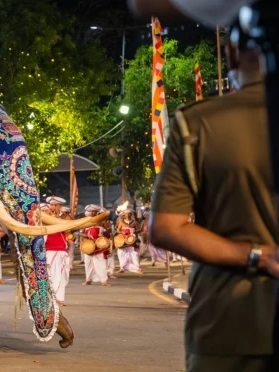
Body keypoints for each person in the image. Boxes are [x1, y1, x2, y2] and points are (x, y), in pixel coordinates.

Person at [150, 23, 279, 370]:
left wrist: (259, 257)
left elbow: (165, 228)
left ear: (233, 53)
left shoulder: (198, 123)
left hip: (229, 323)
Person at [41, 203, 71, 304]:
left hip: (62, 252)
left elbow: (68, 231)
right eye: (43, 211)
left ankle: (59, 298)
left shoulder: (61, 220)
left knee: (62, 276)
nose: (46, 212)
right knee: (53, 275)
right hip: (50, 252)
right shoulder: (40, 224)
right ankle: (53, 298)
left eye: (47, 210)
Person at [81, 205, 111, 286]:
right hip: (88, 245)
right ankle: (88, 279)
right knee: (88, 263)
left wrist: (104, 233)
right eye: (90, 211)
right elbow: (81, 233)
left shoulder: (102, 221)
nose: (92, 213)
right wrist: (86, 236)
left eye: (93, 211)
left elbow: (109, 233)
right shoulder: (85, 221)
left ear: (97, 212)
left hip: (99, 245)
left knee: (101, 263)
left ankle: (104, 281)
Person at [116, 207, 143, 274]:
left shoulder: (134, 222)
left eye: (129, 214)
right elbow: (118, 230)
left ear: (131, 215)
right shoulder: (121, 222)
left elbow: (139, 230)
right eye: (126, 214)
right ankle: (122, 267)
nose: (128, 215)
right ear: (124, 215)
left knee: (134, 255)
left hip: (132, 241)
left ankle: (137, 268)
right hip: (123, 241)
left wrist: (133, 231)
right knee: (121, 254)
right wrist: (122, 232)